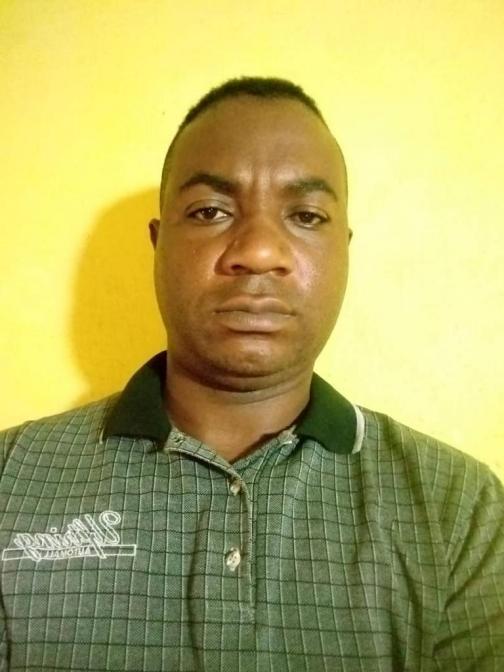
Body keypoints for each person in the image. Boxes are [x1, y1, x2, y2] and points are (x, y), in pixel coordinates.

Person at [0, 76, 503, 672]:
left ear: (344, 250)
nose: (259, 251)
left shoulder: (458, 509)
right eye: (210, 211)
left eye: (306, 215)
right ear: (159, 247)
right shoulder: (11, 476)